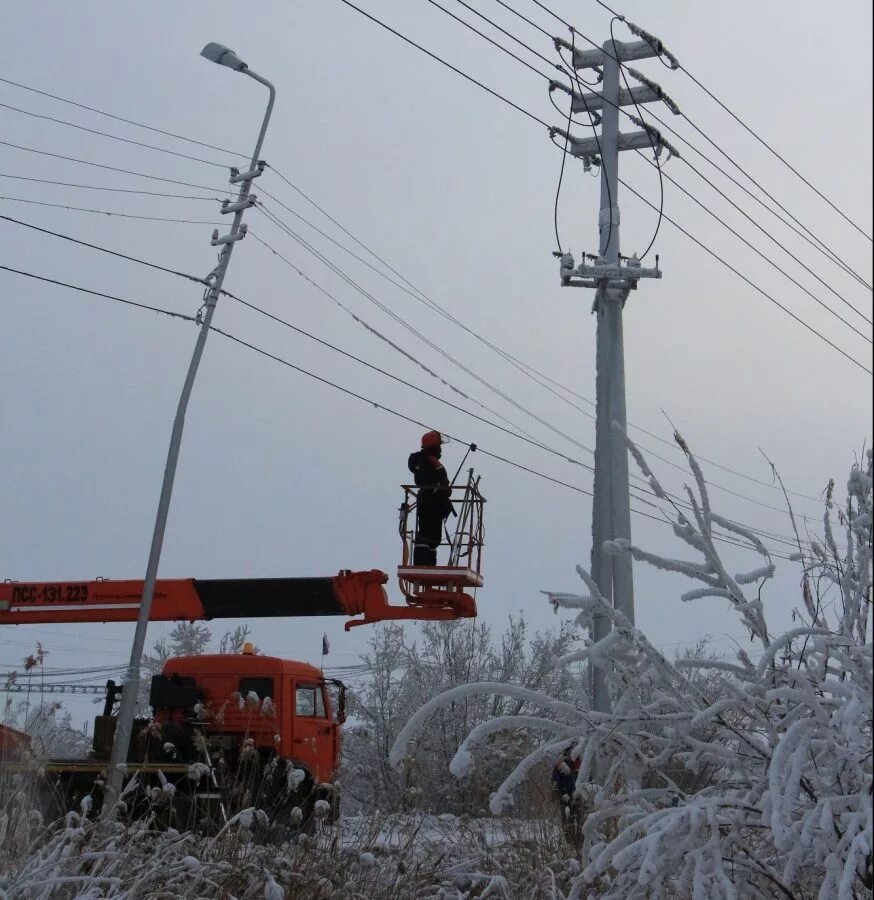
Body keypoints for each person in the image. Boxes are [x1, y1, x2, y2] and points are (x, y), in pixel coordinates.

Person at [408, 431, 453, 565]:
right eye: (439, 446)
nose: (440, 450)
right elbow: (431, 484)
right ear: (434, 447)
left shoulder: (426, 461)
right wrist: (442, 488)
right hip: (430, 505)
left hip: (433, 505)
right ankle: (423, 564)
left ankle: (429, 563)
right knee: (427, 536)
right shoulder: (425, 462)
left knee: (433, 538)